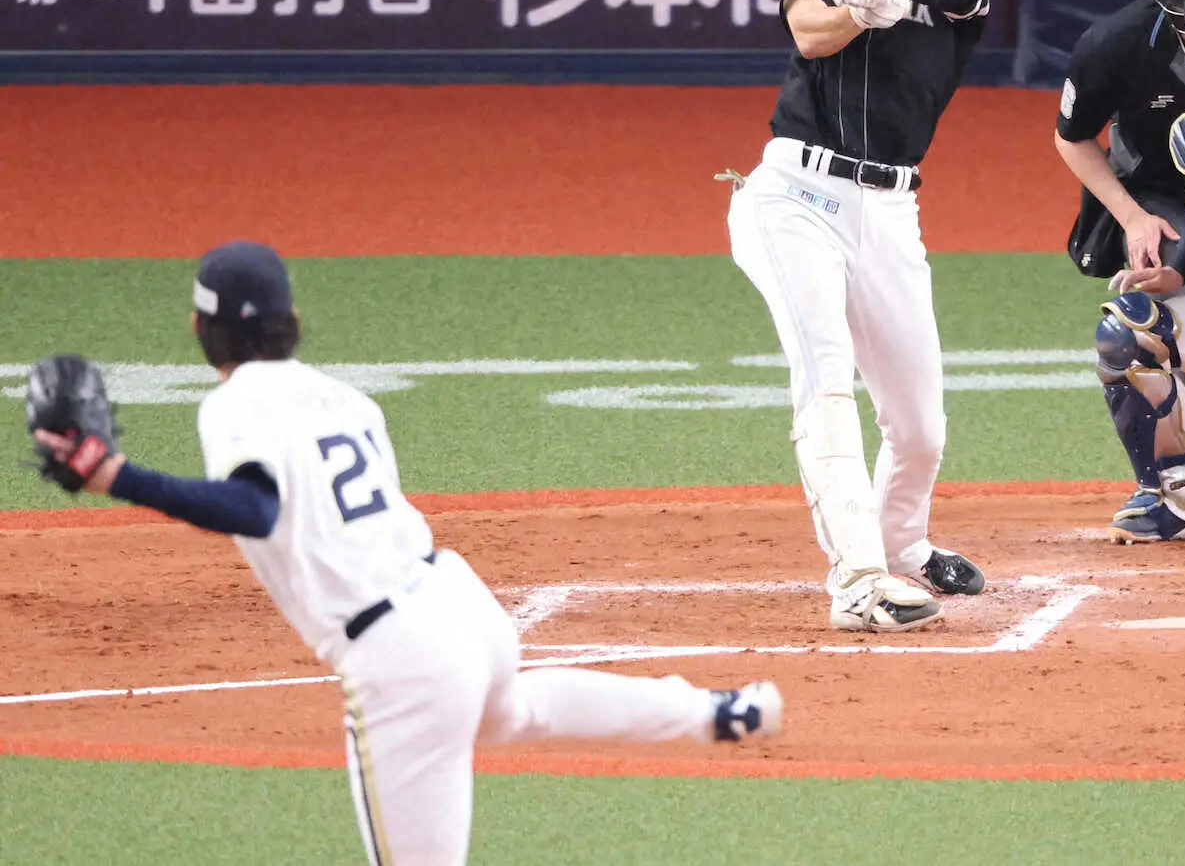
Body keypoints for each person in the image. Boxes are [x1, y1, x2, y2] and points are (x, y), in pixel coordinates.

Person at [25, 239, 783, 866]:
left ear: (202, 330)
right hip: (463, 608)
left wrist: (116, 475)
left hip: (402, 661)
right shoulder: (348, 398)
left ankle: (710, 712)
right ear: (292, 321)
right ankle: (715, 711)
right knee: (517, 710)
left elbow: (256, 508)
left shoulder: (233, 403)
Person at [724, 0, 990, 634]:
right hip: (795, 197)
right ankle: (860, 581)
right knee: (827, 380)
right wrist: (857, 7)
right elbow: (811, 33)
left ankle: (903, 543)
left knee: (919, 425)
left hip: (891, 211)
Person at [1070, 0, 1185, 544]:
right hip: (1164, 198)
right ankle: (1175, 496)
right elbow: (1072, 136)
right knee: (1134, 334)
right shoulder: (1118, 42)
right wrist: (1132, 216)